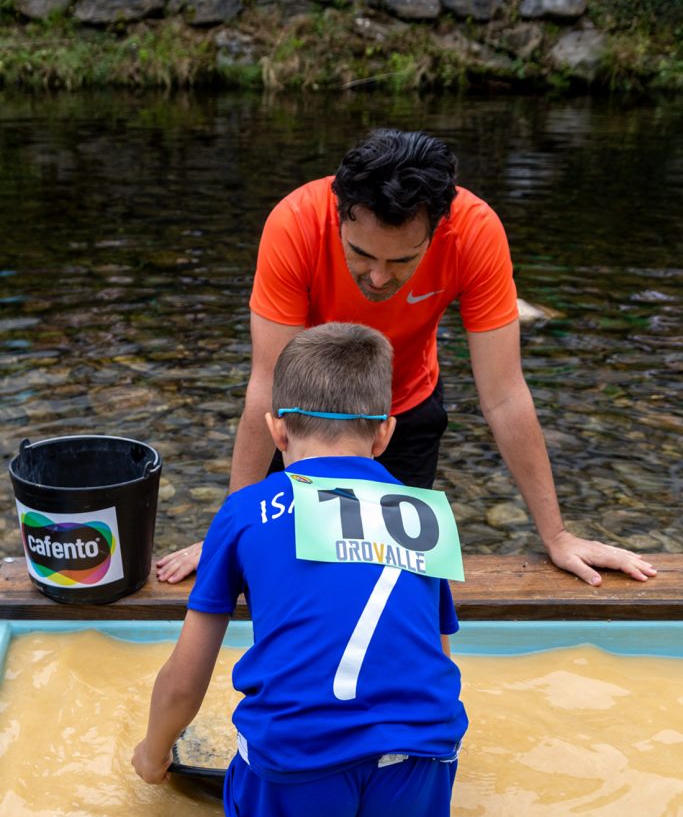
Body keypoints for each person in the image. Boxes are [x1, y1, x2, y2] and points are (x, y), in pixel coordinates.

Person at [157, 128, 656, 588]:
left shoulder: (476, 232)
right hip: (303, 414)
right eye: (361, 254)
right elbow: (267, 385)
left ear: (439, 227)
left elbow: (504, 396)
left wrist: (557, 536)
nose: (377, 278)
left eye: (401, 260)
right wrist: (225, 532)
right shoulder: (295, 222)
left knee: (388, 582)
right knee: (278, 573)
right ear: (339, 213)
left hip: (403, 413)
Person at [133, 323, 468, 817]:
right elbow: (437, 658)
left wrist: (152, 753)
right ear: (387, 431)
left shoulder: (244, 511)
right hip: (419, 752)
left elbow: (186, 678)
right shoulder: (427, 514)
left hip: (295, 753)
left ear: (275, 428)